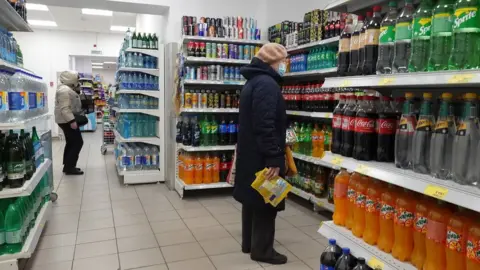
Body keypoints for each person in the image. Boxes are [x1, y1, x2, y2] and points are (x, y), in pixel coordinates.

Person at [233, 43, 288, 265]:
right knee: (267, 202)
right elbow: (265, 125)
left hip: (250, 152)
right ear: (273, 62)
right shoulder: (267, 84)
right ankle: (263, 250)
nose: (285, 65)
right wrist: (274, 157)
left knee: (252, 200)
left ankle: (249, 243)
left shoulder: (253, 81)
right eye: (283, 61)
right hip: (262, 155)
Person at [54, 71, 84, 175]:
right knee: (77, 142)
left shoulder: (66, 89)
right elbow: (65, 108)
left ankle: (68, 165)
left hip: (64, 120)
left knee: (71, 142)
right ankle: (70, 167)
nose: (78, 80)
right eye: (76, 78)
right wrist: (72, 121)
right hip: (66, 120)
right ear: (70, 78)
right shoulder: (64, 90)